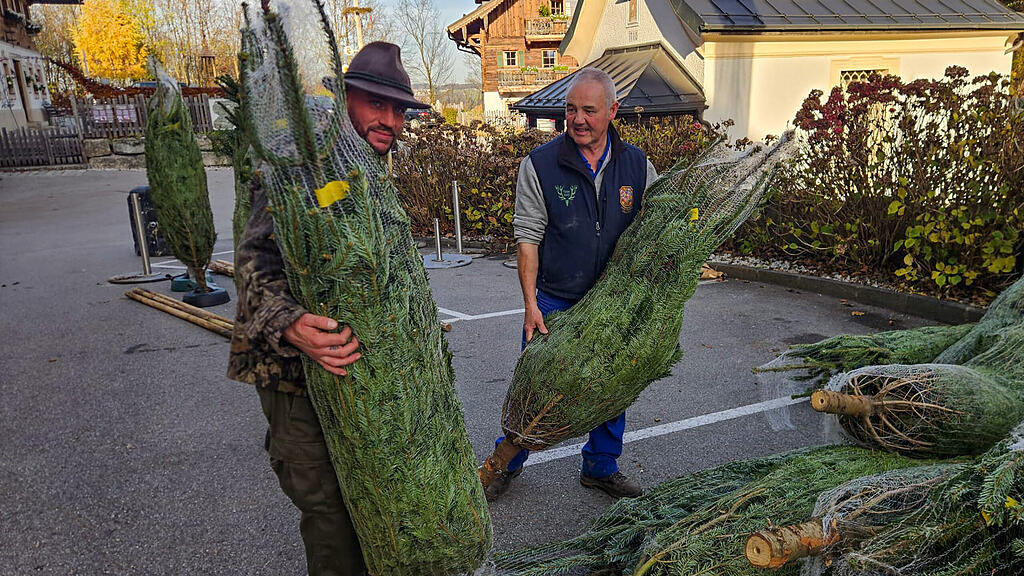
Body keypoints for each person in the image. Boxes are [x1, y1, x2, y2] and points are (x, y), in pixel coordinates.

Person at [227, 42, 430, 576]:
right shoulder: (300, 159)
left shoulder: (365, 167)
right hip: (295, 377)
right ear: (344, 99)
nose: (390, 120)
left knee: (370, 506)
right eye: (376, 105)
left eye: (399, 110)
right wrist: (291, 324)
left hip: (354, 380)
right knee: (330, 514)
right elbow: (251, 261)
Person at [486, 68, 658, 502]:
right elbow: (527, 238)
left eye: (588, 110)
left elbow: (657, 229)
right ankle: (506, 462)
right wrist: (530, 304)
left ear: (612, 111)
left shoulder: (637, 166)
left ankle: (600, 466)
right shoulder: (540, 165)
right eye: (570, 109)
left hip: (613, 303)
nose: (577, 119)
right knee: (539, 389)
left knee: (611, 384)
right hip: (555, 300)